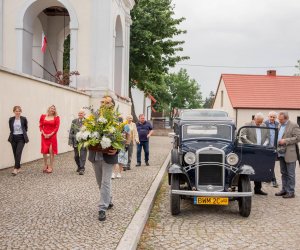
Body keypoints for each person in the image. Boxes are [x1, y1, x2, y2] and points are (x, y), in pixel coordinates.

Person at [88, 95, 118, 221]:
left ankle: (102, 208)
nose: (105, 103)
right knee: (100, 182)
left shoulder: (116, 119)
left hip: (108, 155)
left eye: (108, 102)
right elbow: (88, 131)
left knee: (106, 182)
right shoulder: (94, 116)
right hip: (95, 154)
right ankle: (109, 199)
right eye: (103, 101)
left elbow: (120, 137)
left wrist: (117, 149)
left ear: (112, 105)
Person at [241, 112, 269, 195]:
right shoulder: (247, 124)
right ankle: (245, 188)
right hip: (250, 150)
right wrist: (252, 144)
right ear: (254, 119)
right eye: (258, 122)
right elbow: (243, 137)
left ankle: (258, 189)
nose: (260, 124)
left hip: (261, 150)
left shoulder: (264, 125)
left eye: (261, 122)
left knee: (259, 169)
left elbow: (267, 137)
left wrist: (265, 144)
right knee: (248, 169)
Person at [275, 111, 300, 198]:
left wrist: (285, 140)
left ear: (286, 118)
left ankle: (291, 191)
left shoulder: (293, 125)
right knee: (283, 173)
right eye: (279, 119)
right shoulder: (279, 125)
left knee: (290, 174)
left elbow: (298, 138)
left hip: (290, 153)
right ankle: (284, 189)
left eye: (281, 119)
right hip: (281, 152)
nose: (279, 120)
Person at [8, 106, 29, 176]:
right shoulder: (11, 119)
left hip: (21, 138)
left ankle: (15, 169)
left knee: (18, 153)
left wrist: (22, 134)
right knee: (15, 153)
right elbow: (11, 128)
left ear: (21, 112)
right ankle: (19, 167)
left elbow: (26, 128)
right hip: (13, 138)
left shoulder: (23, 119)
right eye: (16, 111)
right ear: (14, 111)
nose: (17, 112)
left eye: (19, 111)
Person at [39, 105, 60, 174]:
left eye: (54, 109)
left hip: (52, 136)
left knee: (51, 151)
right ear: (49, 109)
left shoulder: (56, 118)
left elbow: (56, 128)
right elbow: (41, 126)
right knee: (44, 151)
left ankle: (51, 166)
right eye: (51, 108)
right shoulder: (43, 116)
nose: (52, 110)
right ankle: (45, 165)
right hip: (44, 135)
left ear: (55, 110)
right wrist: (44, 133)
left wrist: (50, 134)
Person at [68, 109, 87, 175]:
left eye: (81, 113)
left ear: (84, 114)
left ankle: (82, 168)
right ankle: (79, 166)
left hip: (83, 142)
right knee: (76, 156)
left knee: (82, 155)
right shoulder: (74, 121)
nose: (80, 115)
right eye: (79, 113)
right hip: (75, 141)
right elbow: (71, 131)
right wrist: (70, 141)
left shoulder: (87, 122)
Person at [264, 111, 279, 187]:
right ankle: (273, 180)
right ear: (268, 117)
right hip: (266, 147)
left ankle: (271, 179)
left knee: (271, 164)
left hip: (274, 147)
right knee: (267, 163)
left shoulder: (277, 124)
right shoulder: (265, 124)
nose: (272, 118)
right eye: (271, 117)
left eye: (274, 117)